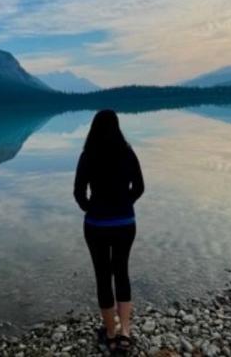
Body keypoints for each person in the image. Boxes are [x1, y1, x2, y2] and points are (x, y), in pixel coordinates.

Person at [74, 109, 145, 354]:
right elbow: (139, 187)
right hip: (125, 223)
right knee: (122, 272)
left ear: (93, 128)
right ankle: (125, 333)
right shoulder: (127, 153)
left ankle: (111, 335)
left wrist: (92, 208)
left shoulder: (87, 155)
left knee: (103, 277)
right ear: (117, 127)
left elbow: (78, 193)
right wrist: (124, 205)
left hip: (96, 225)